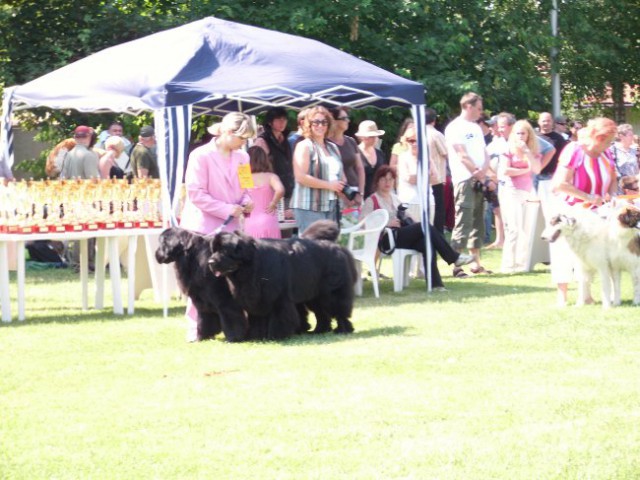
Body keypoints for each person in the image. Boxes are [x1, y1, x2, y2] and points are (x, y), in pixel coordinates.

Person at [179, 112, 256, 341]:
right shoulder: (200, 156)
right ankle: (197, 329)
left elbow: (246, 188)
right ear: (228, 132)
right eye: (242, 138)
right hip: (201, 228)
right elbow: (195, 194)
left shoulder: (243, 158)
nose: (244, 143)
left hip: (231, 230)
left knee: (235, 281)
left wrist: (246, 202)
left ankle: (237, 326)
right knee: (200, 283)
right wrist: (225, 209)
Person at [360, 165, 473, 291]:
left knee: (427, 242)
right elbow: (363, 223)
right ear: (377, 181)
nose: (387, 182)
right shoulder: (372, 200)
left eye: (391, 179)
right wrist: (386, 223)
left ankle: (436, 284)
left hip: (400, 236)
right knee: (424, 227)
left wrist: (411, 222)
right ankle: (453, 257)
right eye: (384, 179)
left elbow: (408, 216)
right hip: (385, 240)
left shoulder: (395, 198)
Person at [551, 117, 618, 306]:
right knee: (564, 252)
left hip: (598, 212)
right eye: (608, 140)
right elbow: (560, 184)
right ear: (598, 137)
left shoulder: (607, 154)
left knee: (594, 253)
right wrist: (588, 197)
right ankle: (562, 296)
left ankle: (587, 294)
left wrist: (611, 196)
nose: (610, 144)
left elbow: (613, 179)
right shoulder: (574, 150)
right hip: (570, 210)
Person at [444, 92, 491, 277]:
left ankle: (476, 264)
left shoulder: (477, 128)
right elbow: (462, 155)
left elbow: (484, 153)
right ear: (468, 106)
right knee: (463, 222)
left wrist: (485, 173)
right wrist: (479, 174)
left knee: (478, 222)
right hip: (465, 179)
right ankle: (457, 265)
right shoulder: (454, 127)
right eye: (478, 108)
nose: (481, 112)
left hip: (479, 179)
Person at [291, 106, 347, 233]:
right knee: (314, 249)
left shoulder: (333, 147)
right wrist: (329, 185)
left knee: (329, 248)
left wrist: (343, 187)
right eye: (315, 122)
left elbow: (341, 175)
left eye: (323, 122)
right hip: (309, 206)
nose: (320, 125)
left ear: (328, 125)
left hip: (332, 205)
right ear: (308, 125)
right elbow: (300, 177)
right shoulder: (304, 146)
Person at [498, 120, 541, 273]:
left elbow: (536, 169)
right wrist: (525, 170)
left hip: (528, 192)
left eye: (524, 133)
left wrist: (527, 152)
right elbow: (505, 170)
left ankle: (522, 263)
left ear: (529, 134)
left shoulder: (533, 150)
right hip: (511, 191)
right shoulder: (508, 149)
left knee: (527, 229)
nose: (521, 136)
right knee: (513, 229)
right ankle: (509, 265)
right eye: (518, 133)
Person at [254, 107, 294, 208]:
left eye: (284, 119)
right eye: (278, 119)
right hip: (272, 193)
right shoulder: (262, 141)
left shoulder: (285, 140)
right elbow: (257, 168)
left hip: (289, 190)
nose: (282, 122)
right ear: (270, 122)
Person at [244, 146, 285, 239]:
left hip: (250, 221)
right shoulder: (271, 176)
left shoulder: (245, 178)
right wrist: (274, 202)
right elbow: (280, 189)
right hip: (269, 219)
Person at [329, 107, 365, 206]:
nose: (348, 121)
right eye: (344, 118)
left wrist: (360, 193)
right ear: (334, 121)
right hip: (336, 193)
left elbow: (360, 168)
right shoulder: (326, 143)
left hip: (355, 190)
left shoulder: (351, 141)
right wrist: (344, 197)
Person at [424, 108, 448, 234]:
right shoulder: (436, 134)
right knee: (438, 207)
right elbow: (445, 152)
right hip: (436, 177)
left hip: (422, 176)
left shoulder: (417, 133)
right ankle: (438, 234)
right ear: (434, 120)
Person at [355, 120, 386, 199]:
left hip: (379, 198)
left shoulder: (380, 154)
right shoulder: (355, 153)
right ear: (363, 137)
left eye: (376, 136)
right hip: (360, 198)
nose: (376, 138)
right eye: (372, 136)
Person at [611, 123, 638, 194]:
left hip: (634, 189)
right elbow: (612, 170)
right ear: (621, 136)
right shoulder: (613, 150)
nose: (633, 137)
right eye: (630, 135)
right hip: (619, 190)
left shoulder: (634, 151)